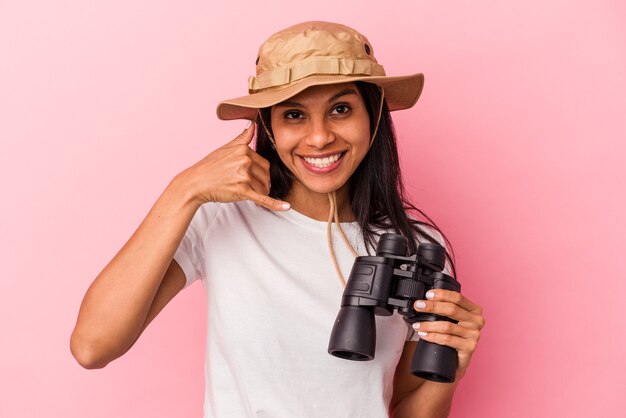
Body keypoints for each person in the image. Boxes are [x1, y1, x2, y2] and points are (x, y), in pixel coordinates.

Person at [70, 21, 485, 418]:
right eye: (293, 115)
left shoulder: (417, 247)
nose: (320, 137)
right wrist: (185, 190)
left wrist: (450, 369)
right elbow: (92, 346)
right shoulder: (222, 219)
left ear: (373, 117)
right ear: (266, 126)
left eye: (341, 108)